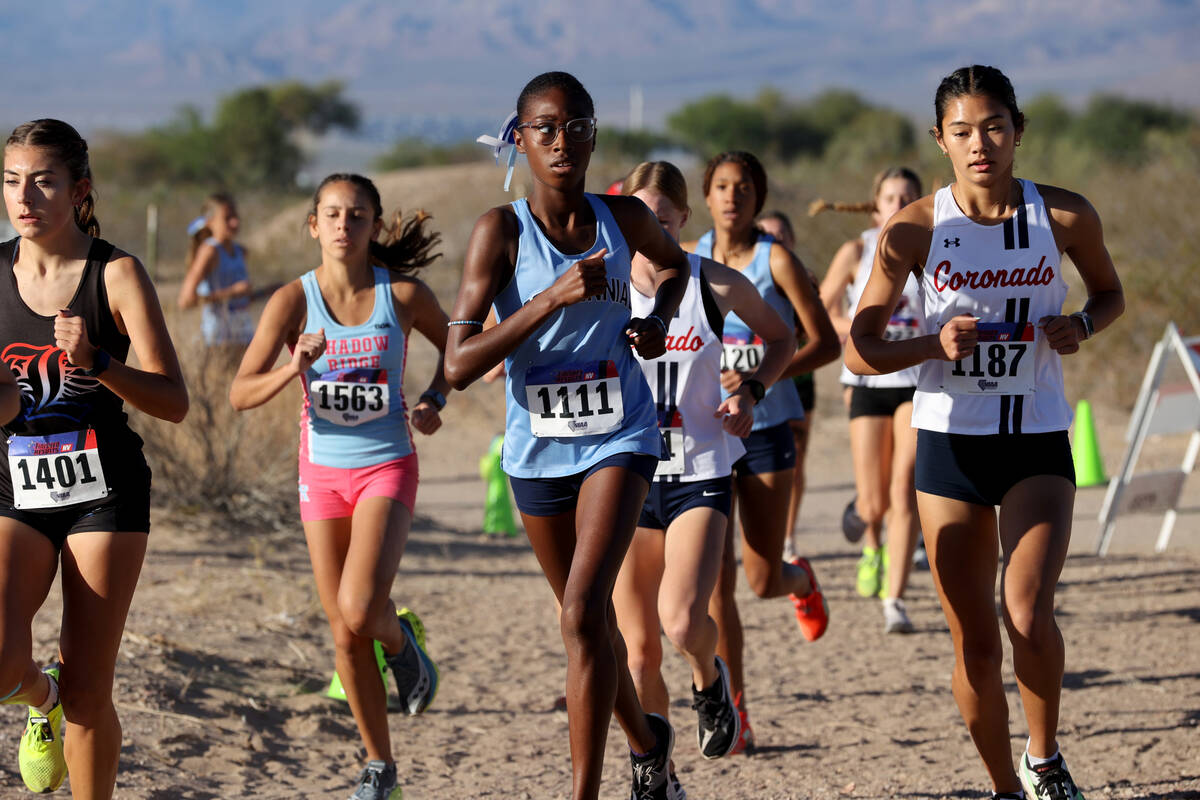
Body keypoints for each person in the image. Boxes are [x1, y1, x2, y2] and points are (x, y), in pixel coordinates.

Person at [846, 65, 1124, 800]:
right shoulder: (913, 228)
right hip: (950, 445)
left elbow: (1110, 293)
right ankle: (1005, 787)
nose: (981, 144)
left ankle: (1043, 755)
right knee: (974, 640)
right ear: (940, 140)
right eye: (963, 131)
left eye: (994, 127)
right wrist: (929, 347)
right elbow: (859, 345)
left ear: (1018, 131)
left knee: (1028, 610)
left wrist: (1082, 325)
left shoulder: (1064, 218)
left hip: (1036, 437)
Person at [444, 72, 693, 800]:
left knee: (585, 611)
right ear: (519, 139)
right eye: (544, 128)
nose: (561, 142)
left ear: (592, 135)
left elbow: (674, 268)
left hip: (621, 435)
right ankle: (649, 743)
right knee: (585, 627)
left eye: (575, 126)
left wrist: (657, 320)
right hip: (538, 450)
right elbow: (458, 366)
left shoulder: (622, 219)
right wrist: (549, 298)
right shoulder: (502, 231)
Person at [230, 173, 449, 800]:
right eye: (332, 214)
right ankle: (380, 766)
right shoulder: (291, 302)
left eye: (357, 216)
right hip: (320, 475)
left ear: (375, 226)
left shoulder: (402, 295)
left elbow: (458, 351)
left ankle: (402, 641)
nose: (344, 226)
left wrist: (435, 397)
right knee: (343, 631)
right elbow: (239, 393)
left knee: (359, 608)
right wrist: (290, 368)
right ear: (313, 225)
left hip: (386, 465)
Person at [0, 118, 189, 798]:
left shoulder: (116, 274)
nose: (26, 197)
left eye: (44, 181)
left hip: (103, 493)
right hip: (13, 490)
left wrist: (98, 362)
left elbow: (173, 401)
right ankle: (38, 699)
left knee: (89, 690)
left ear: (80, 189)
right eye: (13, 181)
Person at [611, 162, 792, 768]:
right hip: (627, 477)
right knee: (637, 655)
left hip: (700, 470)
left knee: (684, 622)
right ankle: (654, 772)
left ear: (683, 220)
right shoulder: (606, 288)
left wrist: (753, 390)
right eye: (638, 218)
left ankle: (709, 681)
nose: (649, 231)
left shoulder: (714, 284)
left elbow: (783, 340)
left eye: (662, 219)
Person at [686, 151, 839, 753]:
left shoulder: (777, 259)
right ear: (707, 195)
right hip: (705, 437)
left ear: (758, 195)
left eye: (744, 188)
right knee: (716, 585)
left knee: (760, 577)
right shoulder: (689, 256)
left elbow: (823, 341)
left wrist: (760, 379)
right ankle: (736, 712)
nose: (732, 197)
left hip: (768, 429)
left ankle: (800, 582)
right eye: (722, 187)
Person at [816, 167, 925, 633]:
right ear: (875, 204)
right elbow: (824, 308)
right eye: (890, 196)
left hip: (918, 380)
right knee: (876, 501)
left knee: (905, 491)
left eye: (908, 197)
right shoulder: (857, 250)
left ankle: (894, 599)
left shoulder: (935, 248)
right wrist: (861, 330)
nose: (898, 203)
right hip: (866, 380)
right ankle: (869, 539)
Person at [755, 210, 815, 562]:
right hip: (750, 379)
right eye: (765, 235)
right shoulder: (743, 277)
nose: (773, 242)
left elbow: (817, 337)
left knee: (797, 457)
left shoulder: (801, 279)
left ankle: (788, 537)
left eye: (780, 237)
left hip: (795, 377)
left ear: (791, 243)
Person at [177, 192, 255, 349]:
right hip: (219, 339)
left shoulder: (240, 251)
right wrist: (232, 292)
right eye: (227, 218)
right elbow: (186, 300)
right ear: (210, 221)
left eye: (235, 216)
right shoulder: (209, 251)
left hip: (244, 335)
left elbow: (241, 298)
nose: (235, 222)